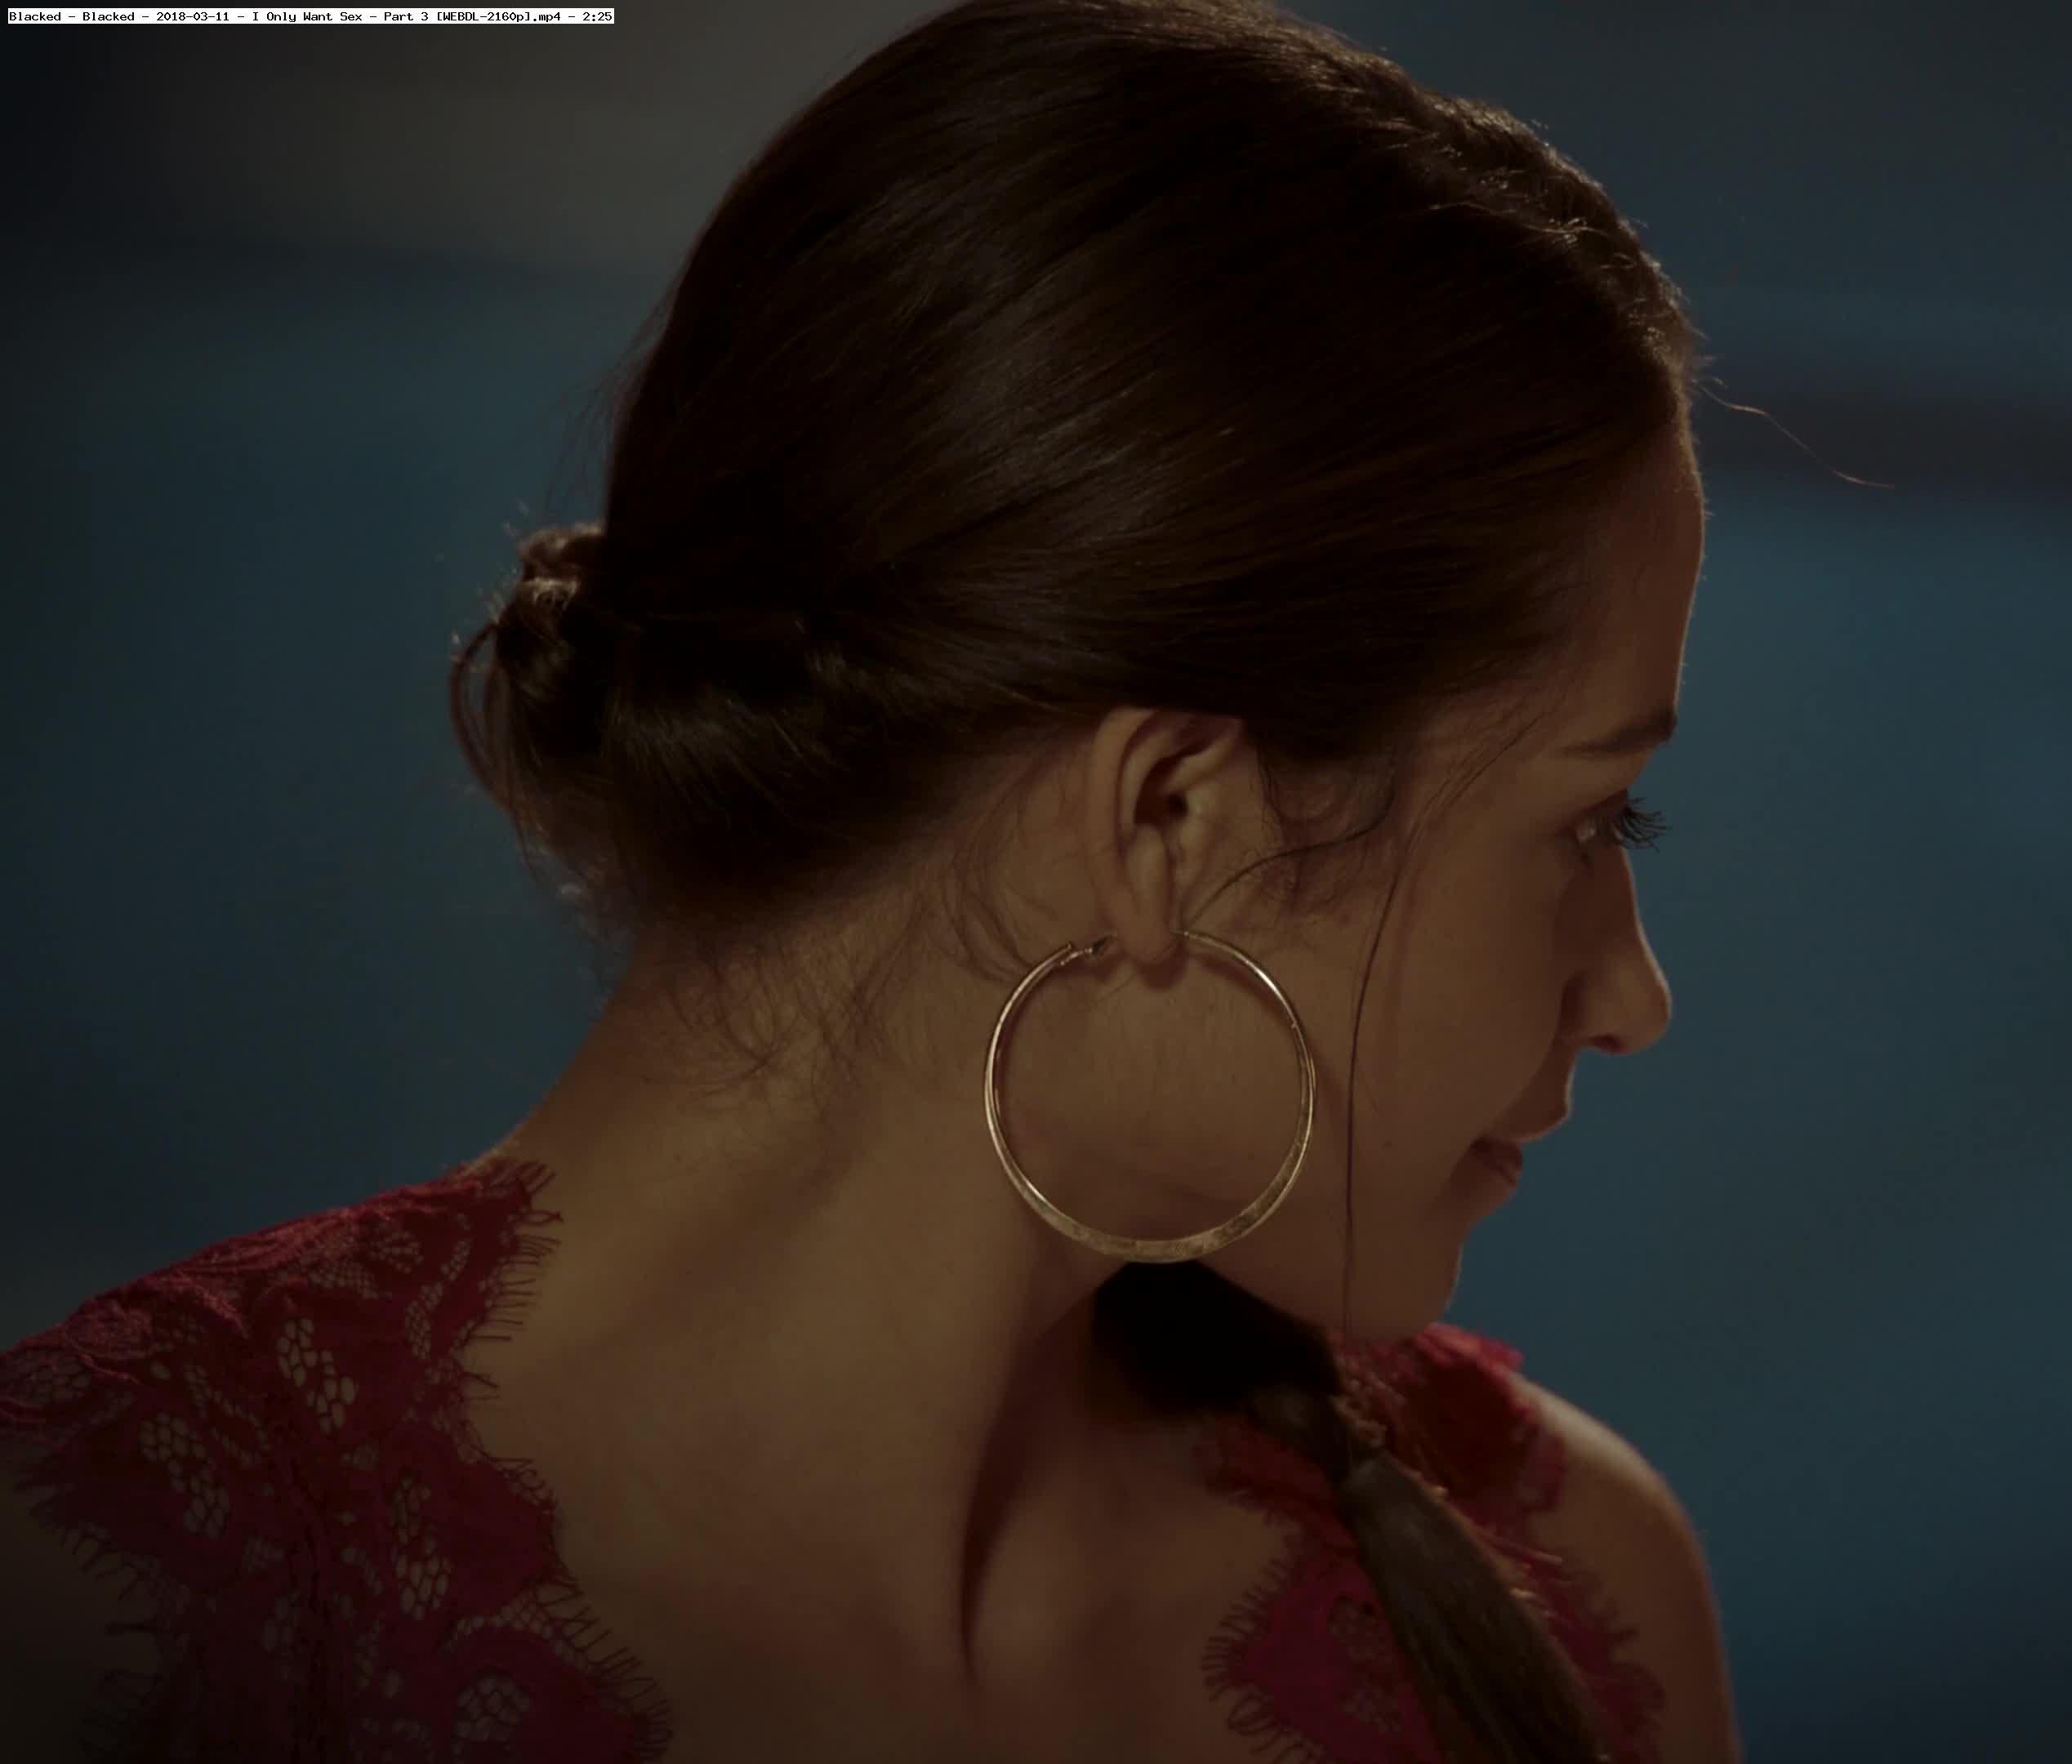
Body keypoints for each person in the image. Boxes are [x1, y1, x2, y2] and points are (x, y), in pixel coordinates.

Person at [0, 0, 1741, 1757]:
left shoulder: (1564, 1597)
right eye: (1594, 821)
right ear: (1166, 822)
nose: (1636, 997)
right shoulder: (102, 1600)